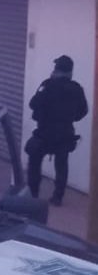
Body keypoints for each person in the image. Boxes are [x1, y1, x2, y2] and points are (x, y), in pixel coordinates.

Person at [26, 54, 89, 206]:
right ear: (70, 72)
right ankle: (58, 197)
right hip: (65, 134)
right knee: (62, 165)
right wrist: (70, 118)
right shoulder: (77, 88)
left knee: (34, 160)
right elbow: (83, 110)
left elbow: (33, 104)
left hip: (44, 133)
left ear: (56, 70)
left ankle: (33, 193)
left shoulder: (47, 85)